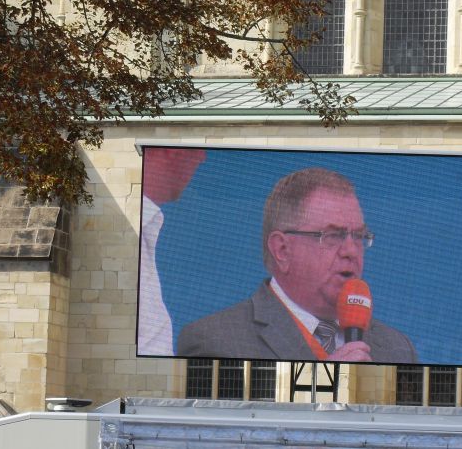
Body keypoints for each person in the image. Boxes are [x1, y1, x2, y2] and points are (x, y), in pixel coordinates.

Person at [177, 167, 417, 363]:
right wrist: (322, 384)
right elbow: (225, 422)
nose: (351, 251)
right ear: (282, 249)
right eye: (332, 236)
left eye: (359, 236)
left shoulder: (397, 349)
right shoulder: (214, 341)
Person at [137, 147, 206, 356]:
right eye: (196, 149)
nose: (202, 158)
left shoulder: (148, 226)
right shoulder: (114, 229)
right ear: (170, 150)